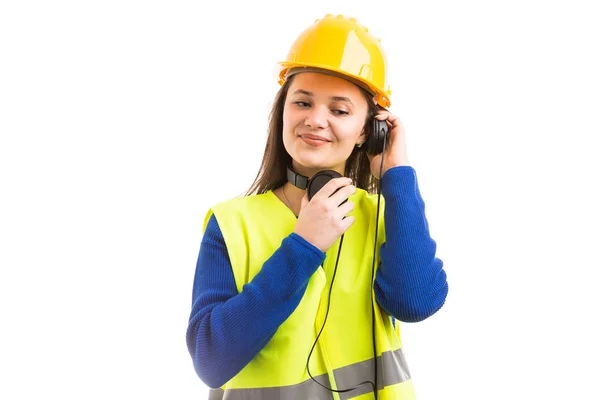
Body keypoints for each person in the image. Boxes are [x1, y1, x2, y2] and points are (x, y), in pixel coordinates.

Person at [186, 14, 448, 400]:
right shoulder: (231, 224)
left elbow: (414, 303)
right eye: (302, 102)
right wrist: (303, 246)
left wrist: (399, 176)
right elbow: (212, 361)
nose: (315, 120)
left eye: (339, 110)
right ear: (282, 113)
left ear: (367, 131)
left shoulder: (383, 215)